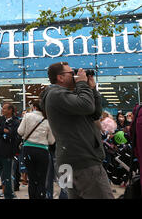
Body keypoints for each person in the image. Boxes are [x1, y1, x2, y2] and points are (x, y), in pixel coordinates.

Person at [40, 62, 114, 199]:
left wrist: (91, 89)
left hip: (70, 161)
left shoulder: (67, 96)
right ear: (60, 78)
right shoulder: (55, 94)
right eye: (71, 73)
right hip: (83, 162)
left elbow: (95, 113)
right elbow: (87, 106)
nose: (75, 76)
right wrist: (82, 84)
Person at [17, 100, 55, 199]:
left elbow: (20, 131)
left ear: (34, 107)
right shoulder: (47, 120)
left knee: (32, 178)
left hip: (28, 149)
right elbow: (51, 141)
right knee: (42, 179)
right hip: (42, 151)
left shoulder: (27, 116)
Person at [0, 103, 20, 199]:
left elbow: (12, 134)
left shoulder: (16, 122)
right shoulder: (1, 119)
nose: (2, 110)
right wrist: (3, 130)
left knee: (7, 178)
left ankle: (8, 196)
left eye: (5, 108)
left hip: (8, 155)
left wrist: (0, 129)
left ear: (10, 110)